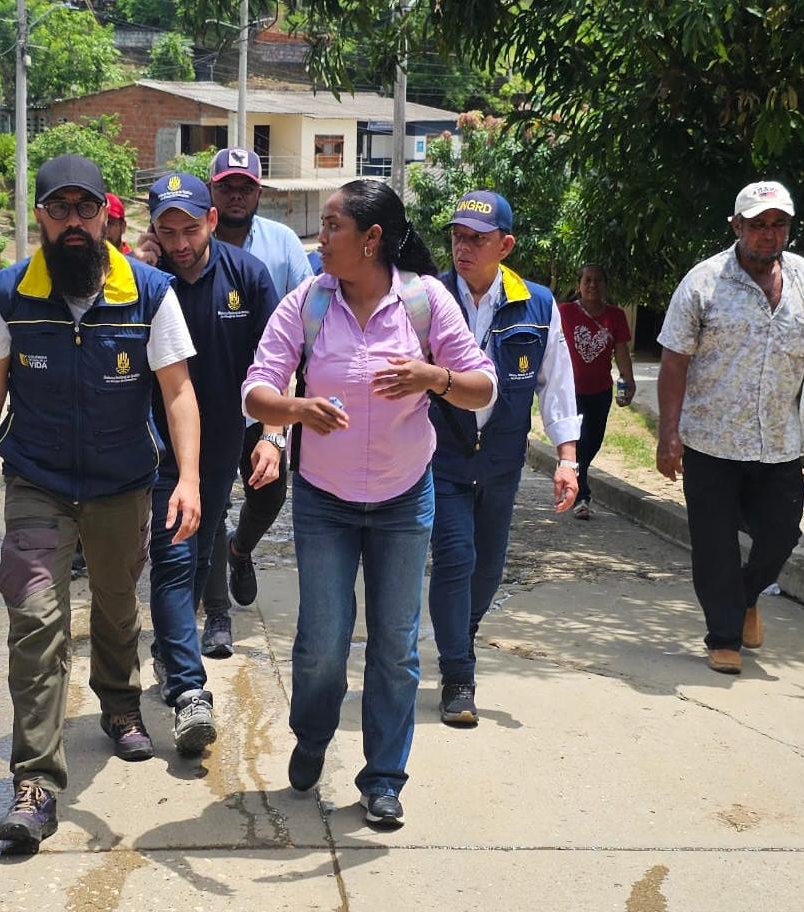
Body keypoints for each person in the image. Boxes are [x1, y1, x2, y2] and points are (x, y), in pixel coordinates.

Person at [0, 155, 203, 855]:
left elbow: (177, 390)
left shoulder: (149, 292)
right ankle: (34, 784)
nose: (71, 223)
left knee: (118, 601)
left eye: (83, 210)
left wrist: (188, 479)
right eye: (57, 210)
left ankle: (120, 704)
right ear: (40, 216)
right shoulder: (8, 293)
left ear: (103, 216)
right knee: (34, 619)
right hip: (38, 479)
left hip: (123, 482)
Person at [243, 180, 495, 829]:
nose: (320, 238)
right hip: (323, 501)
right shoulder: (308, 302)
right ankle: (312, 732)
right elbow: (256, 390)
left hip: (404, 497)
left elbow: (480, 387)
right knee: (323, 642)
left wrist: (431, 377)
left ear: (371, 238)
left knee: (394, 646)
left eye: (331, 226)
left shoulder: (424, 302)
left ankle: (383, 777)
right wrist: (295, 409)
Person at [655, 181, 804, 675]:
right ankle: (724, 636)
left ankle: (747, 596)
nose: (768, 234)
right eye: (757, 225)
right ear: (737, 227)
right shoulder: (703, 282)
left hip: (778, 442)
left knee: (782, 534)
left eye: (778, 224)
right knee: (713, 545)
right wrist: (668, 433)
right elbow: (673, 361)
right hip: (710, 439)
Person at [428, 191, 581, 727]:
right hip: (440, 455)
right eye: (457, 236)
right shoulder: (427, 298)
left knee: (489, 566)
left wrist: (567, 458)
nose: (463, 248)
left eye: (478, 238)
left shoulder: (537, 305)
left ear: (506, 245)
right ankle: (458, 674)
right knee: (456, 558)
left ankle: (460, 633)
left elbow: (556, 384)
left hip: (501, 459)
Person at [142, 172, 280, 753]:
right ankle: (187, 688)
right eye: (167, 231)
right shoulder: (143, 283)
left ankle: (173, 643)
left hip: (224, 440)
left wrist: (273, 433)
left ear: (212, 222)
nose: (179, 242)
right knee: (173, 554)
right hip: (157, 447)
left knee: (199, 554)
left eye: (189, 229)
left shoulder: (246, 276)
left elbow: (279, 357)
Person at [198, 148, 313, 655]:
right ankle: (217, 615)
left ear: (259, 192)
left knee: (268, 494)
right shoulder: (189, 242)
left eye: (246, 187)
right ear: (212, 192)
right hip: (205, 401)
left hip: (266, 397)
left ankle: (240, 549)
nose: (237, 195)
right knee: (211, 503)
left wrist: (275, 427)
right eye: (227, 186)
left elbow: (300, 331)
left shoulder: (283, 244)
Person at [558, 264, 635, 519]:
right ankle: (582, 496)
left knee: (594, 442)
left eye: (598, 280)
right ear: (579, 284)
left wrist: (628, 379)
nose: (592, 285)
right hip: (570, 391)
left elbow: (621, 350)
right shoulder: (564, 312)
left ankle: (572, 477)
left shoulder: (615, 316)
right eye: (587, 280)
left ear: (605, 285)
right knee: (581, 442)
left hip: (600, 391)